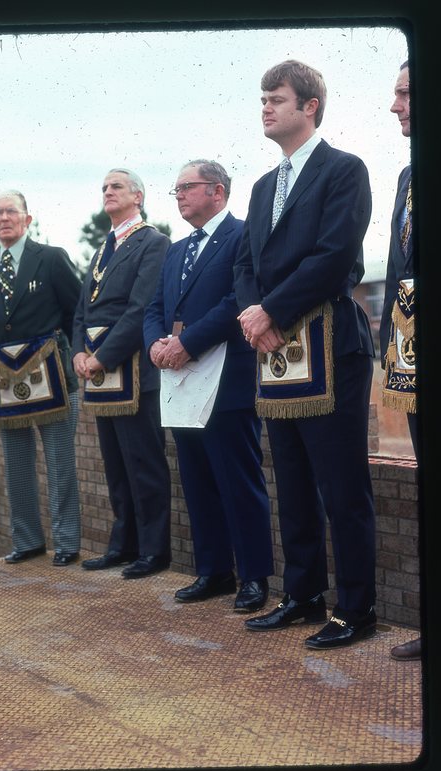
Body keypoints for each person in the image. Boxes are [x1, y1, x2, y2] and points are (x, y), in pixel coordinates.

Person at [234, 60, 377, 649]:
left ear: (309, 106)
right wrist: (254, 313)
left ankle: (356, 609)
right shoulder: (262, 186)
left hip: (330, 343)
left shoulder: (344, 170)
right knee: (291, 482)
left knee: (341, 487)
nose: (266, 108)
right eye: (262, 99)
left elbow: (335, 254)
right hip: (276, 353)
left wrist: (271, 310)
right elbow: (245, 263)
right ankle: (302, 594)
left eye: (276, 98)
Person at [144, 159, 274, 611]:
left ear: (217, 191)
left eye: (187, 186)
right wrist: (155, 345)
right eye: (176, 189)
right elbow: (155, 306)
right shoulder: (177, 249)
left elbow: (236, 300)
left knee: (238, 481)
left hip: (226, 379)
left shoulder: (241, 235)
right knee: (197, 481)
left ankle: (254, 577)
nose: (179, 195)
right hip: (182, 381)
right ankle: (214, 571)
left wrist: (188, 342)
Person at [0, 190, 82, 566]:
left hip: (53, 371)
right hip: (5, 375)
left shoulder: (52, 258)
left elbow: (76, 313)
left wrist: (75, 358)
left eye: (12, 211)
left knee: (60, 461)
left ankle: (66, 541)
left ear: (28, 219)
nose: (4, 218)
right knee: (16, 462)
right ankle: (27, 540)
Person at [72, 168, 171, 579]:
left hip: (132, 371)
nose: (107, 192)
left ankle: (153, 550)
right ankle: (122, 544)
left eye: (116, 186)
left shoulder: (153, 242)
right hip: (101, 375)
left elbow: (140, 309)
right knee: (115, 465)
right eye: (104, 187)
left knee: (143, 463)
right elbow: (82, 310)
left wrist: (103, 356)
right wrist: (78, 352)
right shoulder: (102, 248)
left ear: (138, 197)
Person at [380, 61, 421, 663]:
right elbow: (396, 266)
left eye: (406, 93)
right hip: (411, 351)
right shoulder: (408, 174)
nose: (395, 106)